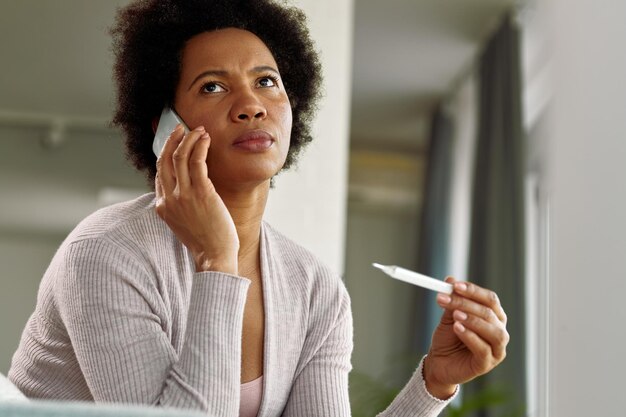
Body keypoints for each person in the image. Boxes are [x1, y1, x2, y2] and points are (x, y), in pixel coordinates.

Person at [8, 1, 509, 416]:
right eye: (213, 86)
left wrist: (433, 385)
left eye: (267, 81)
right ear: (165, 128)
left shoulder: (315, 291)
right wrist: (217, 262)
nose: (252, 104)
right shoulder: (105, 254)